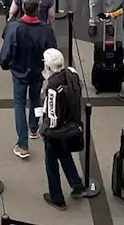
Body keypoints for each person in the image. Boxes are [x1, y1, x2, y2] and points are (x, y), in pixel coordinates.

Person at [0, 0, 56, 159]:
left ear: (23, 8)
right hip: (38, 72)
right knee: (36, 100)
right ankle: (34, 128)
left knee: (19, 105)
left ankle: (23, 144)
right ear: (38, 9)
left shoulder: (14, 27)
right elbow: (53, 50)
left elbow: (6, 52)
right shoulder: (45, 29)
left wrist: (5, 64)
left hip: (19, 72)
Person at [36, 48, 86, 209]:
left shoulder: (52, 85)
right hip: (72, 125)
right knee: (64, 155)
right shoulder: (72, 73)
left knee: (51, 163)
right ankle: (77, 185)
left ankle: (57, 198)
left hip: (56, 132)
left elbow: (52, 114)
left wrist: (45, 131)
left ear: (48, 67)